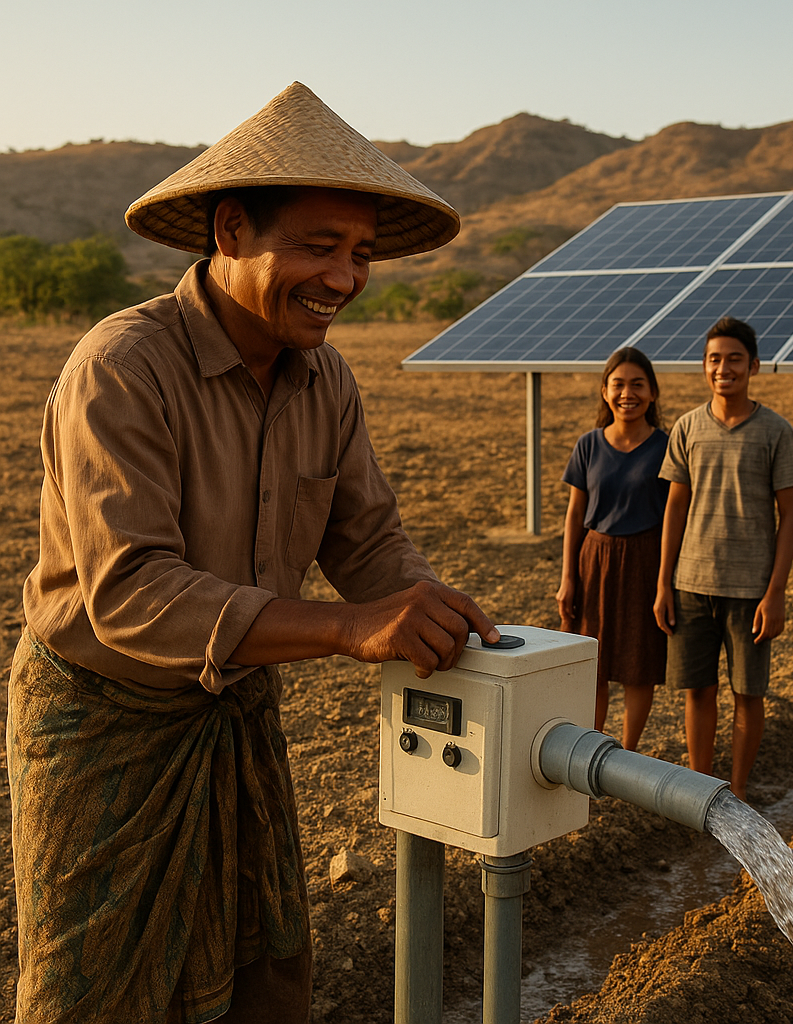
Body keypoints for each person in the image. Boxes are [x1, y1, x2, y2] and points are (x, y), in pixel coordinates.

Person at [6, 82, 500, 1024]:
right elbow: (135, 593)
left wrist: (460, 626)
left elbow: (369, 541)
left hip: (232, 712)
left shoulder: (328, 381)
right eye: (320, 246)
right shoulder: (123, 367)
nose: (346, 280)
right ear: (231, 231)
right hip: (105, 726)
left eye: (359, 255)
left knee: (260, 977)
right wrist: (352, 629)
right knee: (96, 992)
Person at [654, 316, 793, 801]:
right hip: (692, 584)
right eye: (714, 359)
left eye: (734, 359)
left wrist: (775, 591)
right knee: (697, 690)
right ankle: (703, 792)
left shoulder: (776, 431)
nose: (724, 368)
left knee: (748, 693)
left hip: (750, 592)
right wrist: (664, 584)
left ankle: (736, 792)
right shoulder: (687, 427)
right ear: (704, 367)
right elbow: (675, 506)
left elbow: (790, 515)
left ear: (754, 366)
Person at [556, 347, 669, 751]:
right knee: (595, 665)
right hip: (595, 561)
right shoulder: (588, 445)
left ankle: (629, 753)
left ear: (653, 393)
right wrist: (568, 577)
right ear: (605, 392)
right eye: (618, 384)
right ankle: (594, 752)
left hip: (646, 562)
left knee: (639, 665)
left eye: (638, 384)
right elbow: (574, 515)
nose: (628, 393)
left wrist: (665, 583)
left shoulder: (666, 447)